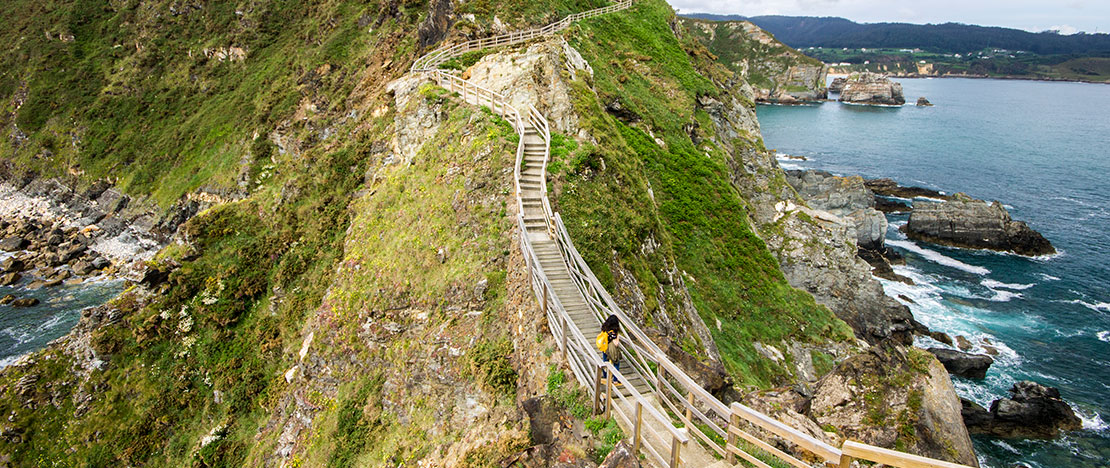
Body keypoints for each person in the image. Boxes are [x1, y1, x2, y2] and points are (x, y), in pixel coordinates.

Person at [600, 314, 623, 387]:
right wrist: (617, 336)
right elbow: (616, 343)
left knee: (605, 362)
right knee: (616, 363)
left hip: (604, 348)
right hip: (611, 349)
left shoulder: (604, 328)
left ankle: (606, 377)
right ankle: (615, 380)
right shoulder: (614, 332)